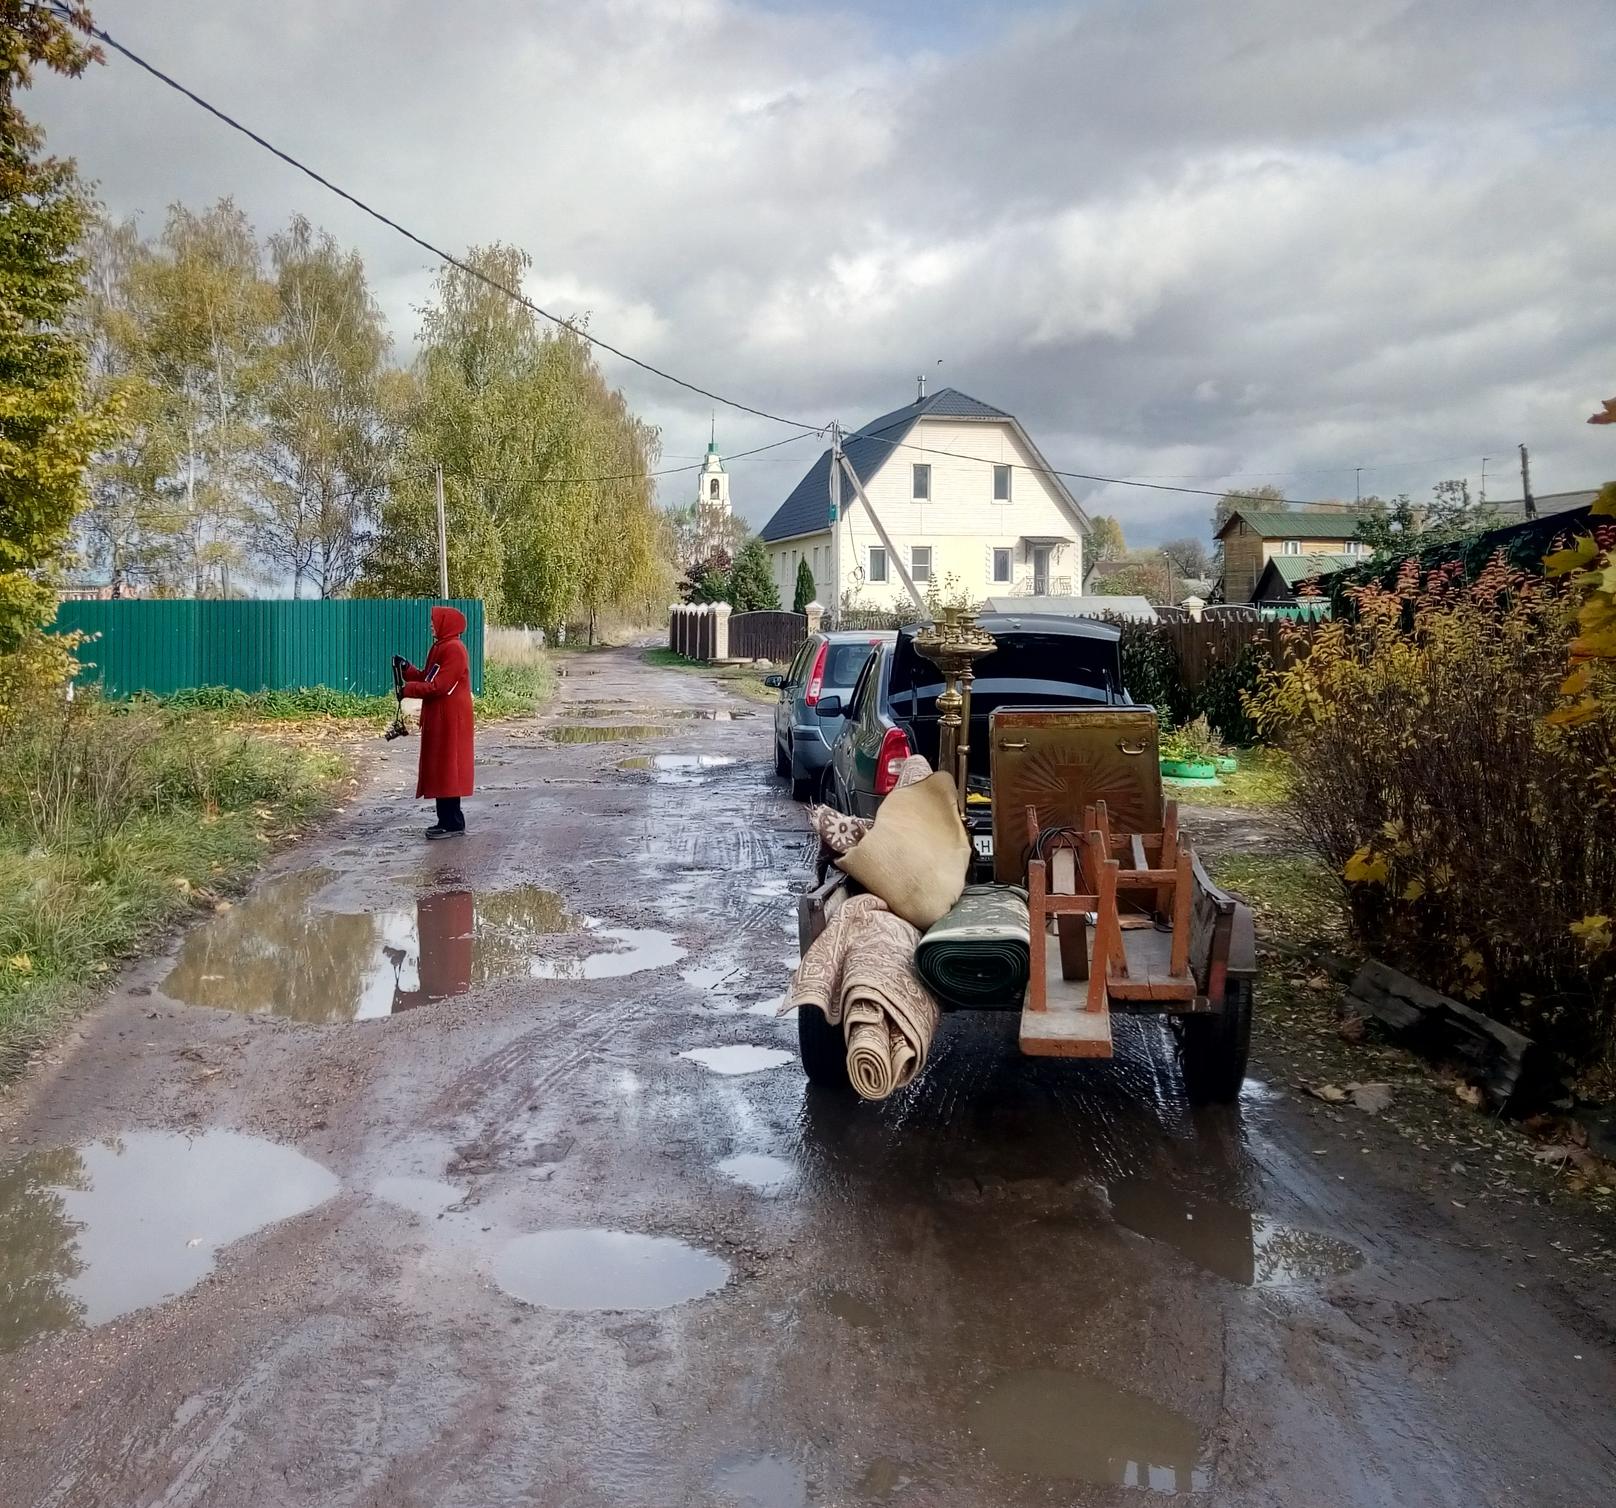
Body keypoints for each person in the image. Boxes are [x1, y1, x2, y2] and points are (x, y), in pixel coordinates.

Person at [398, 605, 475, 838]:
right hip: (443, 717)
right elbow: (429, 677)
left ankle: (452, 823)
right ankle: (448, 820)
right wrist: (407, 670)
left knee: (449, 768)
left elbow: (439, 686)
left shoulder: (454, 649)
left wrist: (407, 690)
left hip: (451, 719)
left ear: (445, 623)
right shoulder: (442, 647)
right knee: (444, 768)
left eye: (434, 621)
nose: (431, 625)